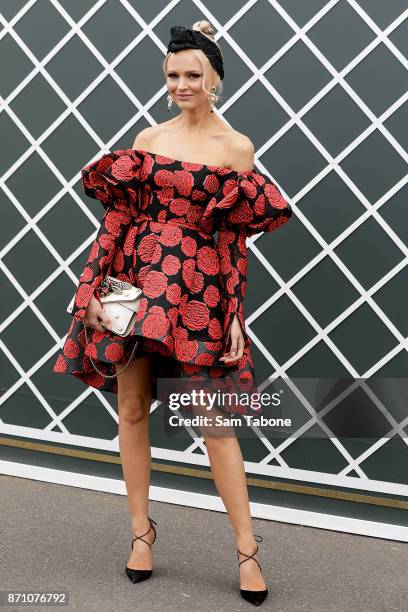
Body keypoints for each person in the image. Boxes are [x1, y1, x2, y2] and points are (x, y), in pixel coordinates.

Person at [53, 20, 293, 606]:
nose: (182, 84)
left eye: (193, 75)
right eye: (173, 75)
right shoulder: (148, 139)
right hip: (134, 287)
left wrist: (235, 314)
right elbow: (117, 222)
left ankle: (247, 549)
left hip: (201, 293)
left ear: (215, 79)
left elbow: (235, 241)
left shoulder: (236, 149)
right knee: (132, 409)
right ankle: (141, 535)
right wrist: (90, 294)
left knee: (216, 427)